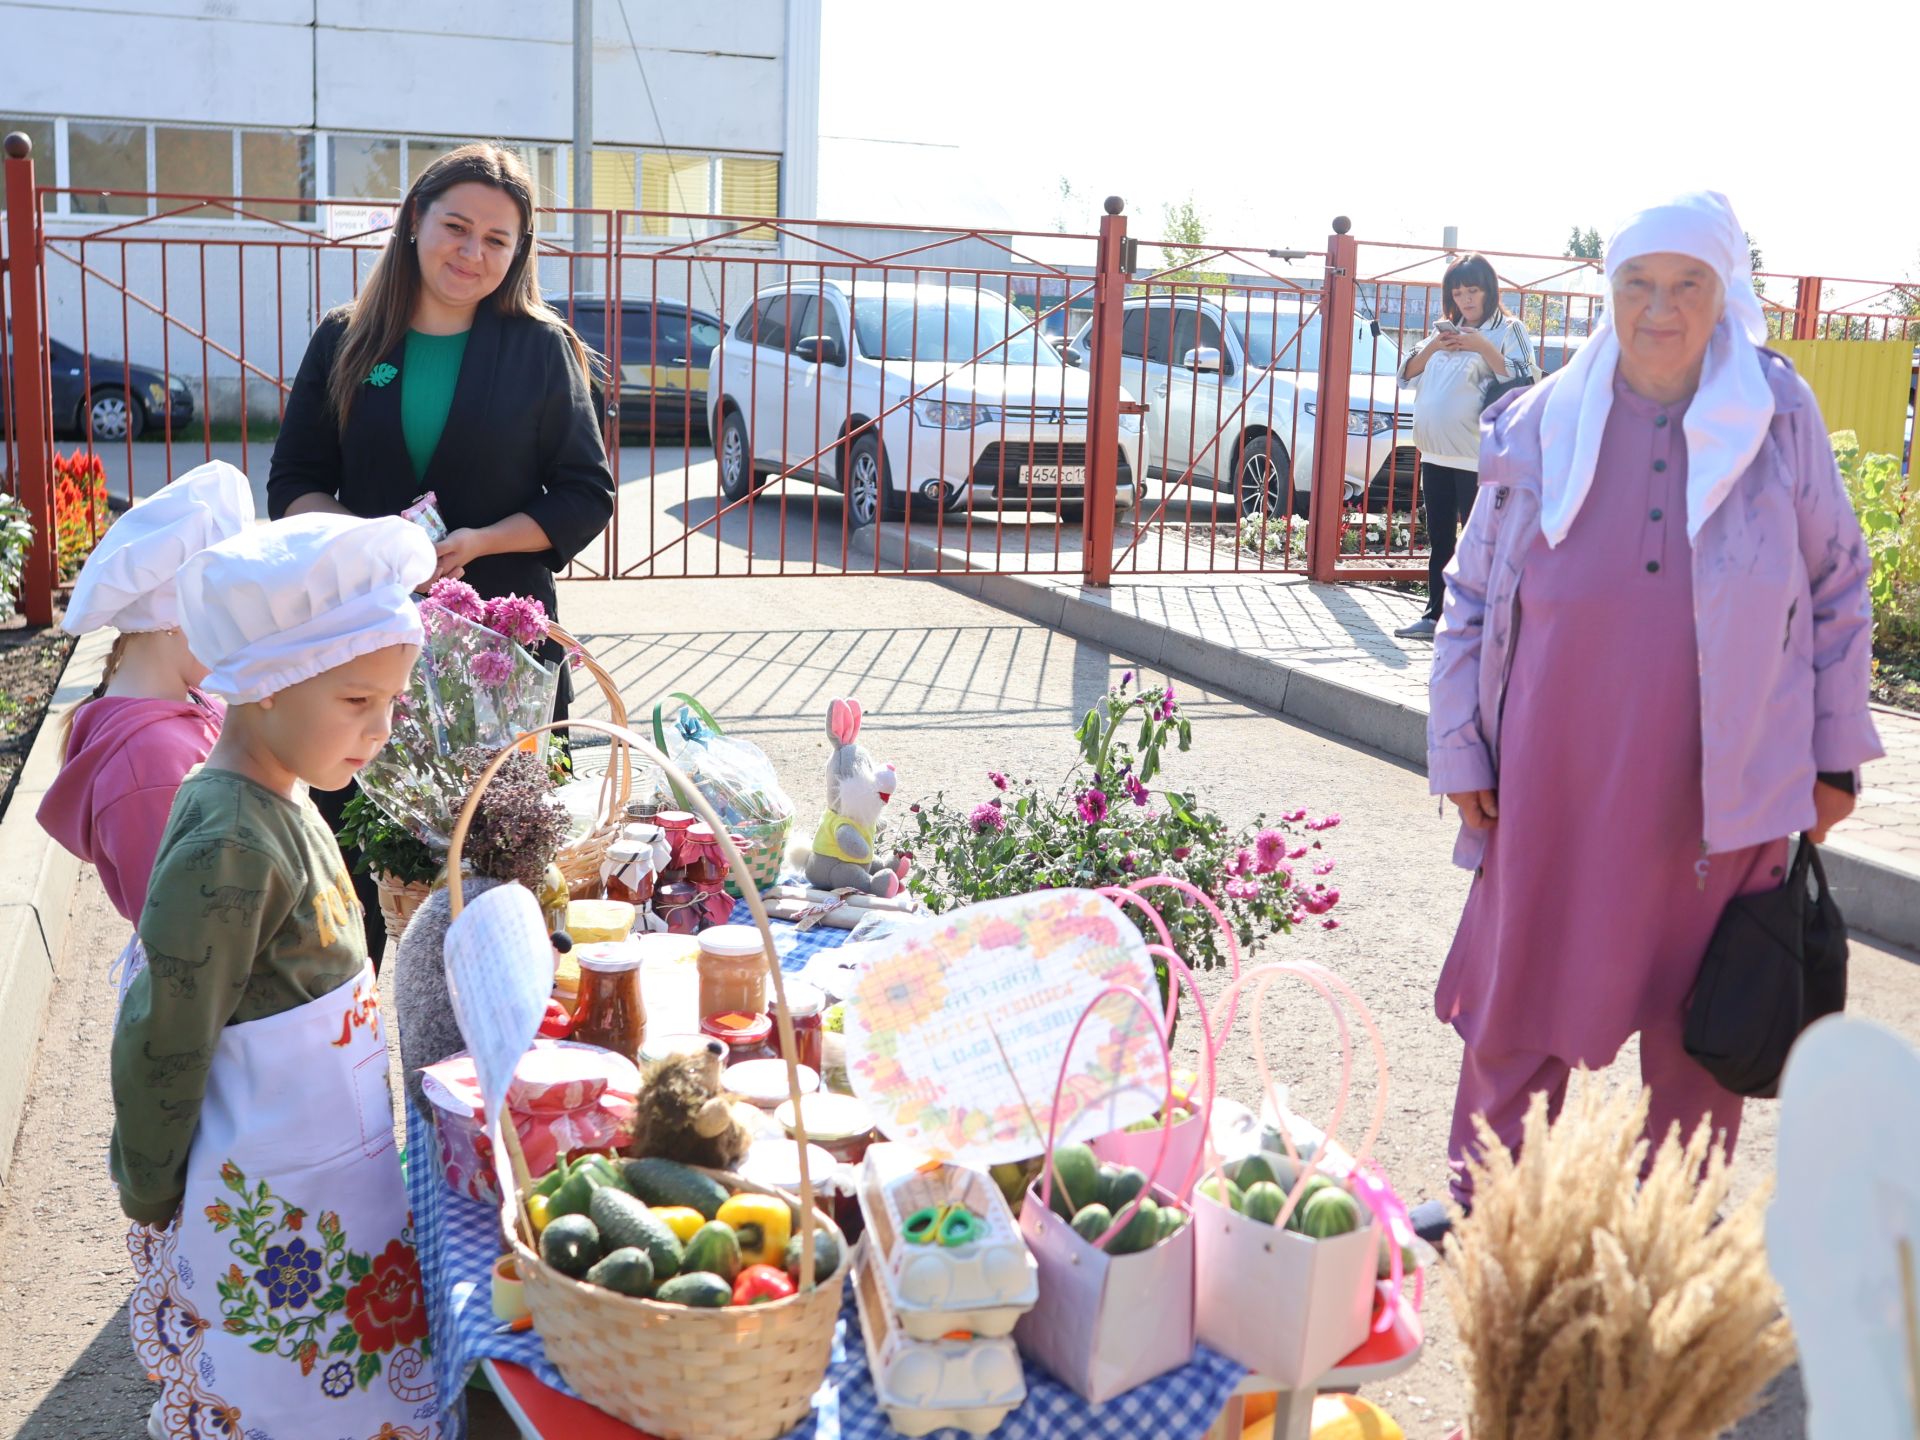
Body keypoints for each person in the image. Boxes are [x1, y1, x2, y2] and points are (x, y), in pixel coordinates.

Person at [1413, 193, 1881, 1244]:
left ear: (1725, 299)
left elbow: (1839, 584)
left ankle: (1665, 1255)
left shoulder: (1776, 415)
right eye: (1637, 283)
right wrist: (1460, 745)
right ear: (1608, 294)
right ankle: (1499, 1223)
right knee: (1518, 1011)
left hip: (1727, 797)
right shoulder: (1540, 423)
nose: (1659, 309)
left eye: (1686, 286)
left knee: (1702, 1036)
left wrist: (1836, 760)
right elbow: (1473, 593)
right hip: (1556, 783)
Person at [113, 513, 443, 1439]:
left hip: (319, 1187)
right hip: (274, 1202)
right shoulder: (229, 838)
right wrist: (147, 1184)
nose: (380, 730)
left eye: (392, 702)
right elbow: (165, 1032)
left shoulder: (281, 797)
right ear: (264, 687)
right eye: (355, 703)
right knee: (291, 1405)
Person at [267, 142, 615, 955]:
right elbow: (294, 484)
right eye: (456, 227)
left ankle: (501, 1073)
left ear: (518, 252)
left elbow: (583, 493)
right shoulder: (346, 339)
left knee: (504, 892)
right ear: (413, 223)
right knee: (354, 883)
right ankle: (346, 1055)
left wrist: (484, 541)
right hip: (364, 646)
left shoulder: (540, 348)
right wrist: (382, 547)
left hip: (504, 661)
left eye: (498, 240)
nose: (474, 252)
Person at [38, 461, 254, 1003]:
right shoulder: (149, 763)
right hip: (212, 1007)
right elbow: (189, 934)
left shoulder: (185, 703)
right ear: (177, 618)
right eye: (225, 614)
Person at [1394, 254, 1538, 641]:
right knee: (1440, 538)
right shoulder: (1445, 331)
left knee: (1479, 541)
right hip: (1435, 455)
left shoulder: (1509, 329)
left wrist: (1480, 347)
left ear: (1489, 290)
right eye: (1458, 293)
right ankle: (1434, 614)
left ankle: (1480, 620)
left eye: (1472, 291)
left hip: (1480, 457)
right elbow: (1404, 374)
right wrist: (1436, 347)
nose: (1466, 301)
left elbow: (1526, 378)